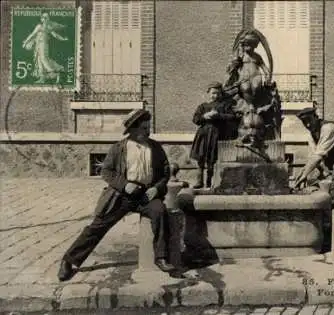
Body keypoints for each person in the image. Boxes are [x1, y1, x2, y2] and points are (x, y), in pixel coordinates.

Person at [57, 109, 182, 281]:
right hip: (122, 196)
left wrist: (156, 189)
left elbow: (165, 173)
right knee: (98, 226)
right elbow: (106, 171)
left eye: (148, 127)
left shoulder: (155, 147)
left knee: (159, 211)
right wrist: (124, 185)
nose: (148, 131)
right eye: (144, 128)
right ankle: (69, 261)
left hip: (147, 194)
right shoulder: (119, 148)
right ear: (133, 129)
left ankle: (161, 258)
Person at [190, 82, 237, 189]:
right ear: (208, 93)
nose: (214, 96)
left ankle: (209, 182)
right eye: (212, 93)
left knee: (212, 159)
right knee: (200, 159)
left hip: (217, 135)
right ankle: (199, 181)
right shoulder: (202, 106)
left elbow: (232, 117)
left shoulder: (224, 105)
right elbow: (195, 119)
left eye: (217, 93)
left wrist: (218, 115)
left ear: (220, 94)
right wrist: (205, 116)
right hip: (203, 135)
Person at [22, 13, 68, 84]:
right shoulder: (39, 26)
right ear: (41, 19)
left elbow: (55, 35)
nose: (45, 19)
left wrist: (63, 39)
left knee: (43, 58)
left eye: (47, 17)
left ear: (48, 19)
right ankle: (42, 78)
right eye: (44, 17)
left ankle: (55, 73)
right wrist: (25, 42)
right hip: (38, 45)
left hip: (43, 45)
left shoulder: (49, 27)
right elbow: (32, 34)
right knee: (39, 60)